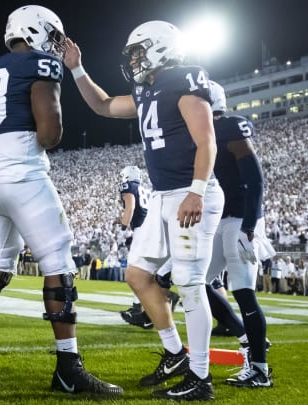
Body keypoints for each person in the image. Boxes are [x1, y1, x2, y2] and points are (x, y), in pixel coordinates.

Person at [0, 5, 122, 397]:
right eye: (51, 37)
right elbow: (50, 134)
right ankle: (69, 368)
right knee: (59, 262)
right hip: (21, 168)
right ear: (34, 33)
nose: (54, 46)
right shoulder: (40, 65)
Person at [64, 20, 224, 400]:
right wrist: (77, 69)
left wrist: (197, 192)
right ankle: (175, 354)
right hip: (165, 195)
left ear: (160, 48)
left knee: (188, 284)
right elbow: (104, 106)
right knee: (137, 275)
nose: (134, 60)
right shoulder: (149, 89)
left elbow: (207, 141)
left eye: (138, 51)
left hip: (192, 192)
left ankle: (201, 379)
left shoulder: (184, 79)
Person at [204, 80, 273, 387]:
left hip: (241, 220)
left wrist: (249, 225)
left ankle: (259, 369)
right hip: (221, 219)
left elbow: (256, 180)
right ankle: (246, 338)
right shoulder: (203, 131)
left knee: (243, 291)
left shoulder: (229, 127)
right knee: (195, 281)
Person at [117, 165, 179, 329]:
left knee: (136, 270)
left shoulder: (128, 186)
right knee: (143, 271)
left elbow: (130, 206)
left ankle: (140, 308)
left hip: (142, 231)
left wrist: (123, 226)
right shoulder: (145, 189)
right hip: (152, 229)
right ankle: (148, 305)